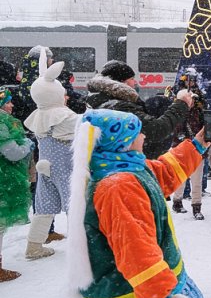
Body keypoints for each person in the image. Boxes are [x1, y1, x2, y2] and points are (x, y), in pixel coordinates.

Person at [68, 109, 211, 298]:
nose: (144, 136)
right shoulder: (118, 187)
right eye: (137, 133)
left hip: (136, 292)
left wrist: (196, 145)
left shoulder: (124, 167)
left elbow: (163, 173)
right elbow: (136, 248)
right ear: (122, 141)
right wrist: (160, 295)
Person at [23, 52, 79, 260]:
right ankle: (79, 247)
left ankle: (34, 245)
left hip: (44, 165)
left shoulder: (39, 114)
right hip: (64, 167)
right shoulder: (63, 115)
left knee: (44, 208)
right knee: (74, 205)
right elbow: (85, 126)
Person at [85, 60, 192, 157]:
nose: (134, 83)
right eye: (131, 79)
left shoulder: (99, 101)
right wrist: (180, 104)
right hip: (125, 165)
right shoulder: (120, 107)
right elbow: (155, 130)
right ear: (122, 82)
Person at [0, 86, 34, 281]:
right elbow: (11, 153)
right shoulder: (3, 123)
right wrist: (26, 145)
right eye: (8, 102)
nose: (12, 106)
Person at [169, 68, 209, 220]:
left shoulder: (200, 99)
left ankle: (196, 206)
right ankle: (177, 201)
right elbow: (173, 122)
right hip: (181, 143)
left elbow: (206, 118)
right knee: (181, 174)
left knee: (196, 178)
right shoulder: (176, 99)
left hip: (196, 142)